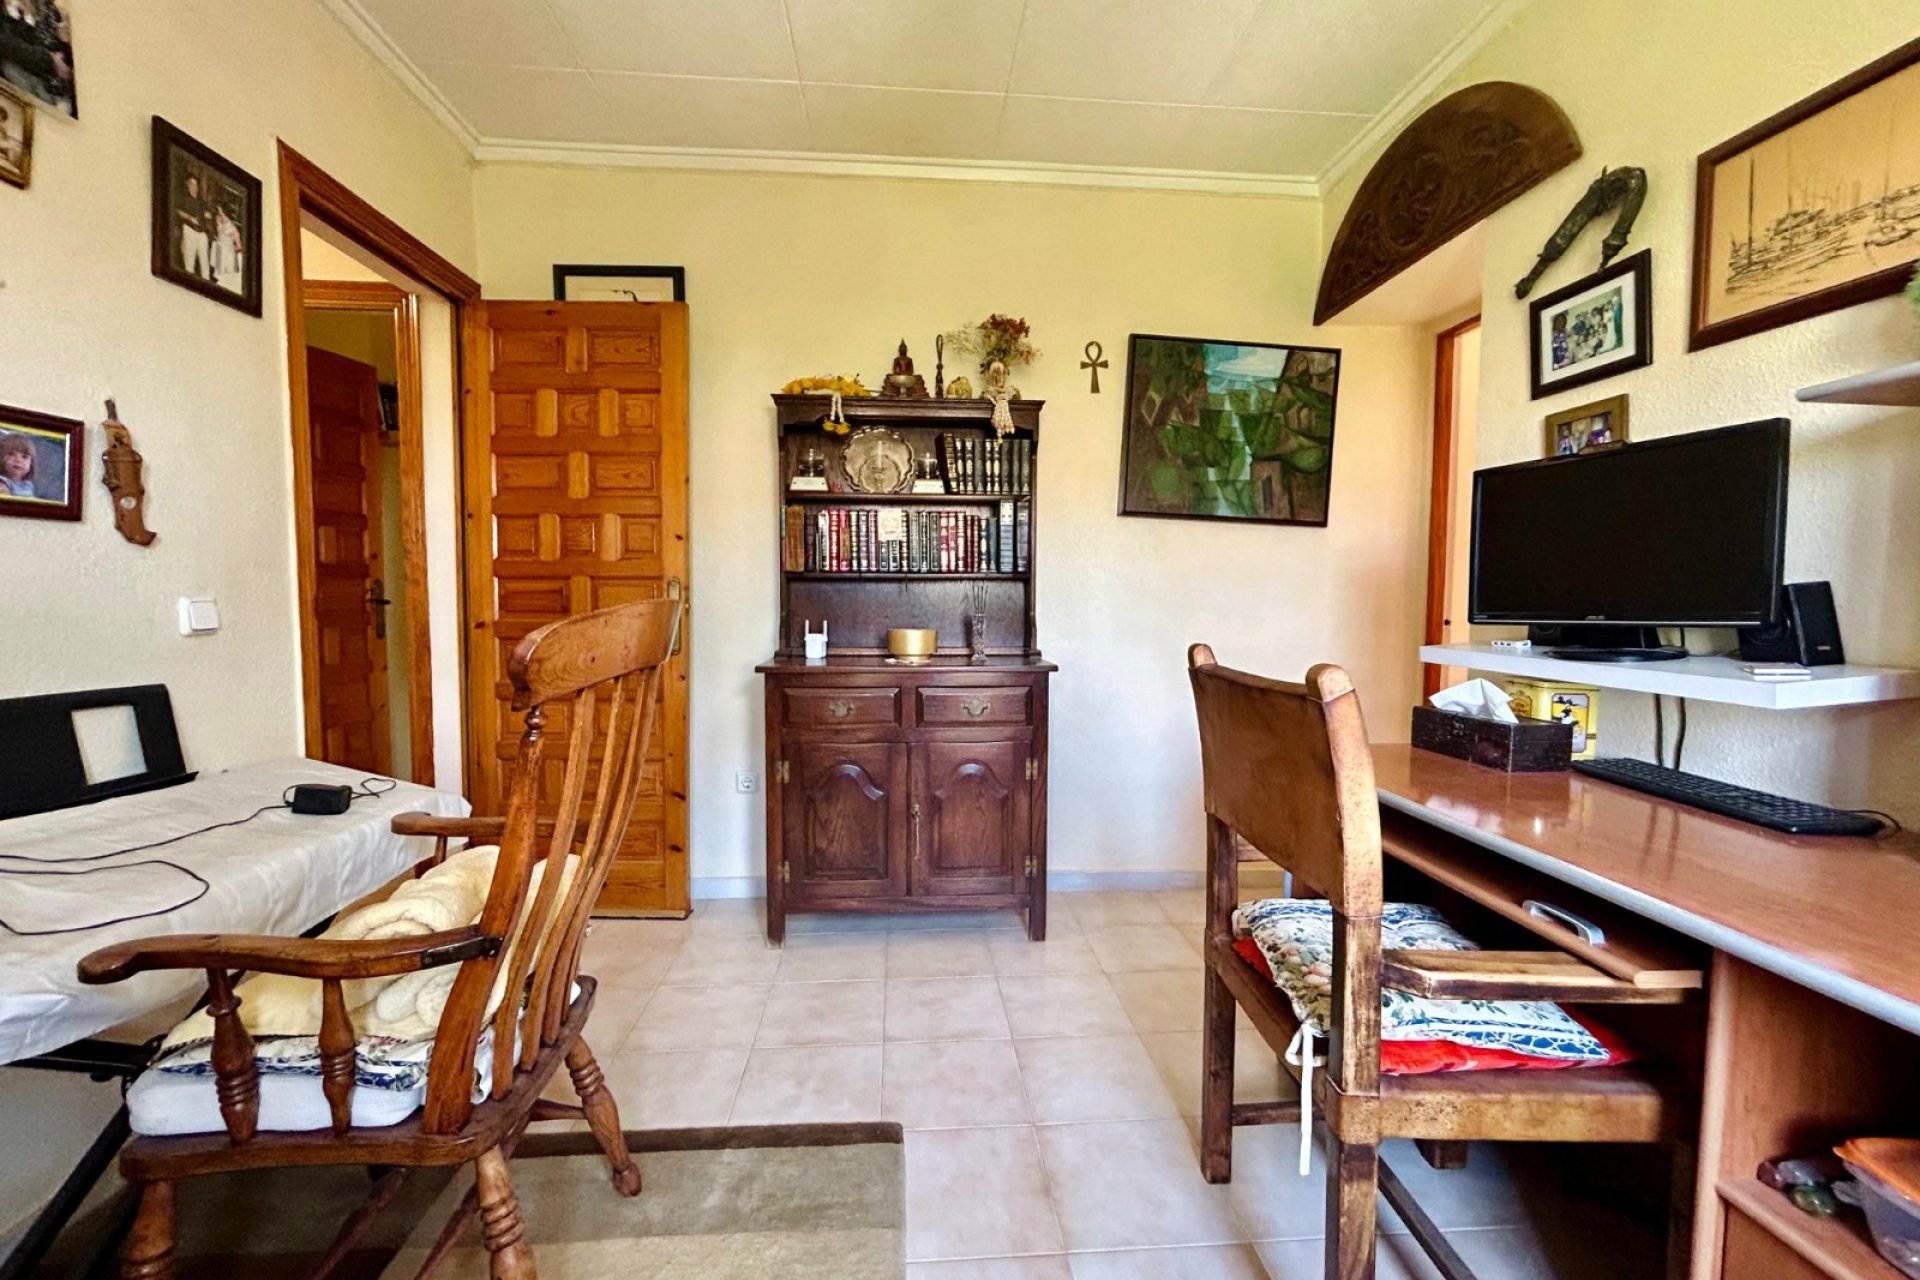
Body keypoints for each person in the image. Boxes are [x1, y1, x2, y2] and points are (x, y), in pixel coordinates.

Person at [176, 166, 210, 280]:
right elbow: (178, 211)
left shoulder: (201, 201)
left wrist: (207, 215)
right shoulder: (183, 198)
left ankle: (206, 281)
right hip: (189, 229)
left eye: (195, 184)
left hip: (201, 232)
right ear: (187, 184)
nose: (193, 187)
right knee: (189, 260)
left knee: (204, 260)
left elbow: (208, 214)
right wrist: (190, 218)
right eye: (191, 184)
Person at [210, 202, 244, 292]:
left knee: (228, 275)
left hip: (228, 254)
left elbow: (237, 239)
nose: (218, 215)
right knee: (221, 276)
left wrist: (238, 249)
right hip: (221, 253)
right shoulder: (220, 225)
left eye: (220, 213)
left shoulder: (230, 226)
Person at [0, 433, 37, 498]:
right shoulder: (2, 484)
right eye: (11, 454)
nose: (18, 460)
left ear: (31, 464)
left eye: (24, 457)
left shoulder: (28, 485)